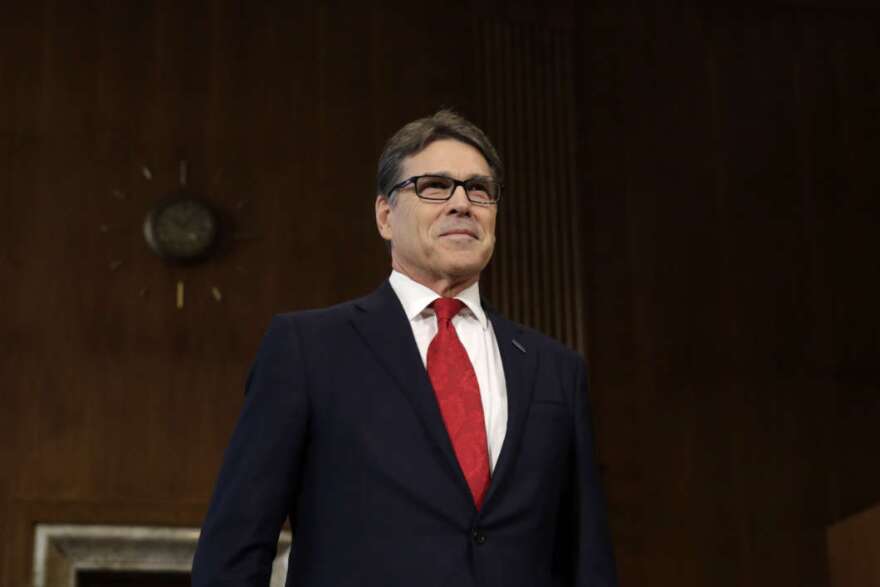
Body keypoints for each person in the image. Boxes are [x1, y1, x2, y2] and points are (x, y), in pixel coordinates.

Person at [191, 110, 617, 587]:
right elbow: (233, 549)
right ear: (385, 216)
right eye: (435, 186)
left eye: (479, 189)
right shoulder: (308, 349)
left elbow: (588, 559)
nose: (462, 203)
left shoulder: (556, 369)